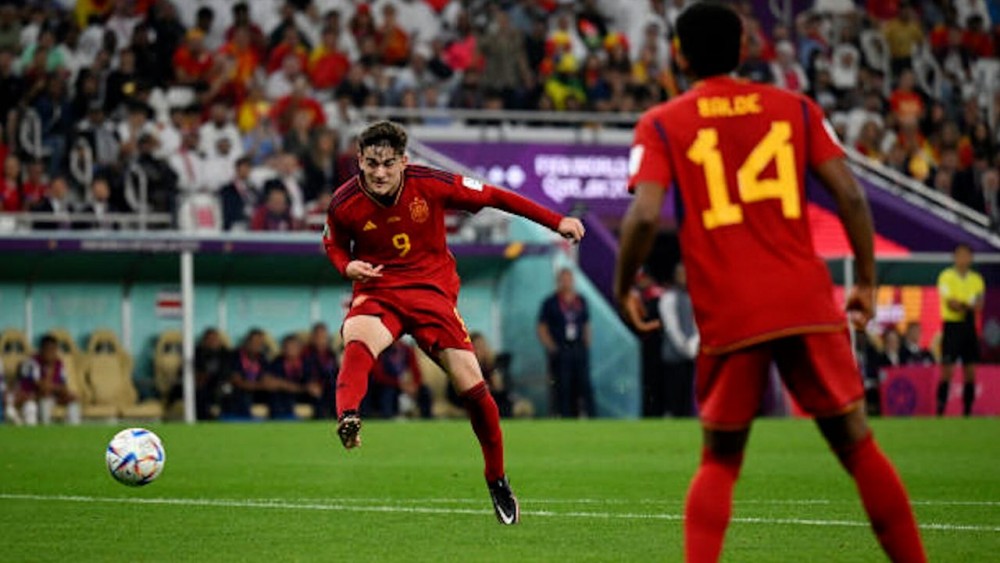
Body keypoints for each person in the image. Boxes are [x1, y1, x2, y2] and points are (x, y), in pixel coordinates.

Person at [613, 4, 926, 562]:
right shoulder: (795, 107)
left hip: (732, 311)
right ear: (743, 49)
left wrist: (624, 284)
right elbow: (852, 196)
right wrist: (866, 280)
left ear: (679, 56)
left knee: (719, 461)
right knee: (858, 447)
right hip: (804, 300)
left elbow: (641, 218)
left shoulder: (662, 122)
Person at [323, 120, 585, 525]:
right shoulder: (344, 202)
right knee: (357, 338)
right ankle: (348, 415)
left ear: (404, 162)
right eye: (371, 163)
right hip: (379, 289)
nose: (379, 173)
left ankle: (496, 477)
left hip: (431, 293)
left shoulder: (431, 183)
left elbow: (494, 195)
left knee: (473, 387)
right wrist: (346, 266)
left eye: (388, 164)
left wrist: (556, 221)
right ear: (359, 160)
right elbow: (333, 243)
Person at [537, 268, 595, 418]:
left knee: (584, 383)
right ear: (558, 282)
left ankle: (591, 416)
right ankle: (566, 415)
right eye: (563, 279)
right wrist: (551, 346)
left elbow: (586, 323)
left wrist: (587, 342)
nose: (566, 282)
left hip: (578, 347)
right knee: (563, 385)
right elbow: (542, 327)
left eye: (569, 279)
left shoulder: (580, 301)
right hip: (561, 348)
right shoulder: (550, 302)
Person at [937, 243, 985, 417]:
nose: (963, 259)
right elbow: (952, 304)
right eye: (960, 255)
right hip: (952, 327)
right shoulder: (946, 276)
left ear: (971, 258)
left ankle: (967, 411)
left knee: (970, 371)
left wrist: (963, 305)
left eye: (966, 255)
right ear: (954, 257)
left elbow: (979, 305)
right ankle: (940, 409)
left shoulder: (977, 279)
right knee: (947, 370)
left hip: (969, 327)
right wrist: (967, 305)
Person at [659, 263, 698, 417]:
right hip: (673, 356)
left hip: (691, 353)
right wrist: (685, 346)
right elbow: (671, 327)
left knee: (688, 396)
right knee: (674, 393)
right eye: (681, 274)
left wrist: (693, 344)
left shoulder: (694, 295)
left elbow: (697, 322)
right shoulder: (669, 297)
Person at [15, 335, 80, 426]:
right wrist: (50, 372)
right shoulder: (32, 362)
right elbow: (42, 388)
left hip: (51, 396)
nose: (51, 353)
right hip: (32, 398)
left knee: (73, 403)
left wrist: (63, 393)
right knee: (43, 402)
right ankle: (45, 431)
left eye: (53, 350)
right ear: (41, 350)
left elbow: (63, 387)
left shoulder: (58, 363)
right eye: (48, 349)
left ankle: (73, 431)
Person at [267, 334, 322, 419]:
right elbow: (275, 383)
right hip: (285, 394)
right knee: (277, 395)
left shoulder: (307, 363)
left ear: (299, 349)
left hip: (303, 394)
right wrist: (300, 387)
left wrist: (311, 386)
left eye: (293, 347)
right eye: (287, 347)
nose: (290, 350)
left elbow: (312, 382)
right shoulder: (277, 363)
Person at [193, 327, 229, 420]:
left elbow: (229, 372)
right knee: (201, 394)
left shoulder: (225, 354)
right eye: (209, 339)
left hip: (221, 384)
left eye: (215, 339)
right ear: (204, 341)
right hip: (202, 386)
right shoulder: (197, 353)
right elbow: (195, 373)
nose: (212, 342)